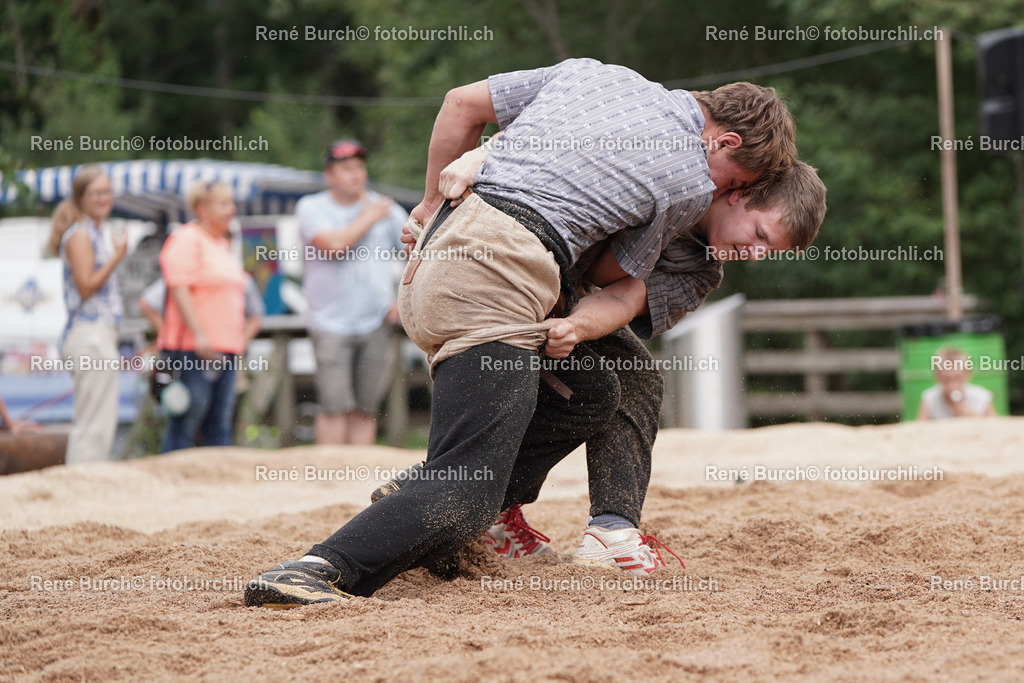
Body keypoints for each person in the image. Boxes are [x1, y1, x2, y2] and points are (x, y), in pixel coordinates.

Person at [245, 57, 800, 607]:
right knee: (467, 488)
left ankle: (453, 502)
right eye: (739, 185)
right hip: (501, 276)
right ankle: (321, 567)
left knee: (596, 390)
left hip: (446, 254)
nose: (719, 190)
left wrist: (438, 199)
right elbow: (616, 281)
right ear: (723, 146)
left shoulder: (600, 77)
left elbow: (461, 103)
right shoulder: (687, 180)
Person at [374, 160, 827, 578]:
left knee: (624, 378)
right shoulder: (672, 176)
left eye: (771, 252)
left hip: (556, 291)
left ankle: (587, 524)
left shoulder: (701, 270)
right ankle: (463, 496)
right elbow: (545, 138)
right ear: (740, 195)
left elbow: (624, 299)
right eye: (762, 236)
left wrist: (576, 326)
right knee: (601, 388)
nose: (755, 254)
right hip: (498, 267)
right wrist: (479, 159)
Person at [296, 139, 407, 445]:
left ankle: (358, 482)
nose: (356, 174)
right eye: (346, 168)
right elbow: (333, 246)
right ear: (329, 175)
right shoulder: (311, 207)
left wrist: (404, 299)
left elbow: (418, 254)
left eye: (359, 166)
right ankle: (330, 480)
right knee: (333, 408)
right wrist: (368, 217)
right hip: (329, 322)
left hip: (376, 321)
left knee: (366, 409)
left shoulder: (388, 210)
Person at [158, 181, 247, 452]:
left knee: (219, 422)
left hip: (225, 347)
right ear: (202, 209)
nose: (231, 210)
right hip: (193, 348)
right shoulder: (187, 238)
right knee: (186, 419)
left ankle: (216, 487)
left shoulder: (221, 244)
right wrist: (199, 333)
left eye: (231, 203)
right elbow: (178, 286)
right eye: (223, 204)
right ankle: (170, 482)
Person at [47, 166, 126, 465]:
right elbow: (86, 287)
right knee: (93, 423)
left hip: (97, 334)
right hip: (89, 334)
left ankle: (88, 482)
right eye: (96, 193)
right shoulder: (80, 235)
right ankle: (83, 484)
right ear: (81, 197)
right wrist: (118, 257)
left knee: (97, 420)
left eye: (107, 191)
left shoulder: (92, 232)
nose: (104, 198)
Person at [917, 346, 997, 420]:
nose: (952, 385)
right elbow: (920, 428)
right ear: (937, 377)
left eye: (957, 378)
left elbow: (995, 426)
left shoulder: (981, 397)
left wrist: (974, 416)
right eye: (946, 379)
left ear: (967, 374)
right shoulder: (929, 399)